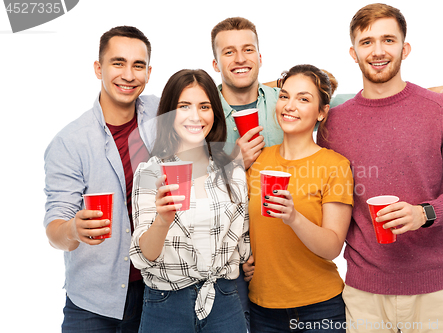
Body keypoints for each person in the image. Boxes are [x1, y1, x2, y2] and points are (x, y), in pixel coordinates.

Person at [317, 4, 443, 333]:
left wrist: (424, 213)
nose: (378, 51)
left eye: (388, 40)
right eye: (367, 42)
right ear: (353, 53)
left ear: (404, 48)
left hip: (434, 292)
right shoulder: (333, 123)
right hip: (363, 293)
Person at [211, 17, 443, 171]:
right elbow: (181, 179)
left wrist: (430, 94)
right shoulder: (201, 111)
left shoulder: (284, 101)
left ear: (259, 57)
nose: (240, 59)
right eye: (228, 52)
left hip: (281, 231)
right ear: (215, 64)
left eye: (247, 50)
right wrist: (232, 163)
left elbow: (365, 102)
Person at [43, 26, 158, 332]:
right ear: (99, 68)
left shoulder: (161, 113)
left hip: (156, 292)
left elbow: (211, 99)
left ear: (149, 72)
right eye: (118, 63)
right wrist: (73, 228)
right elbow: (54, 230)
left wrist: (284, 90)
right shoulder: (70, 142)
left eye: (138, 65)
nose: (128, 75)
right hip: (93, 303)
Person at [129, 69, 251, 333]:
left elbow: (243, 248)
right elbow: (143, 258)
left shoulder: (234, 173)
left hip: (224, 301)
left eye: (204, 106)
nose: (195, 116)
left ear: (215, 113)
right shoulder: (150, 173)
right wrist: (162, 221)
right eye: (184, 106)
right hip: (166, 305)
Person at [246, 64, 353, 332]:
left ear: (322, 112)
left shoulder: (335, 165)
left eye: (303, 99)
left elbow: (332, 247)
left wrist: (294, 217)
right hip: (262, 307)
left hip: (320, 307)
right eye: (284, 96)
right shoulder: (258, 160)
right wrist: (244, 259)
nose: (289, 106)